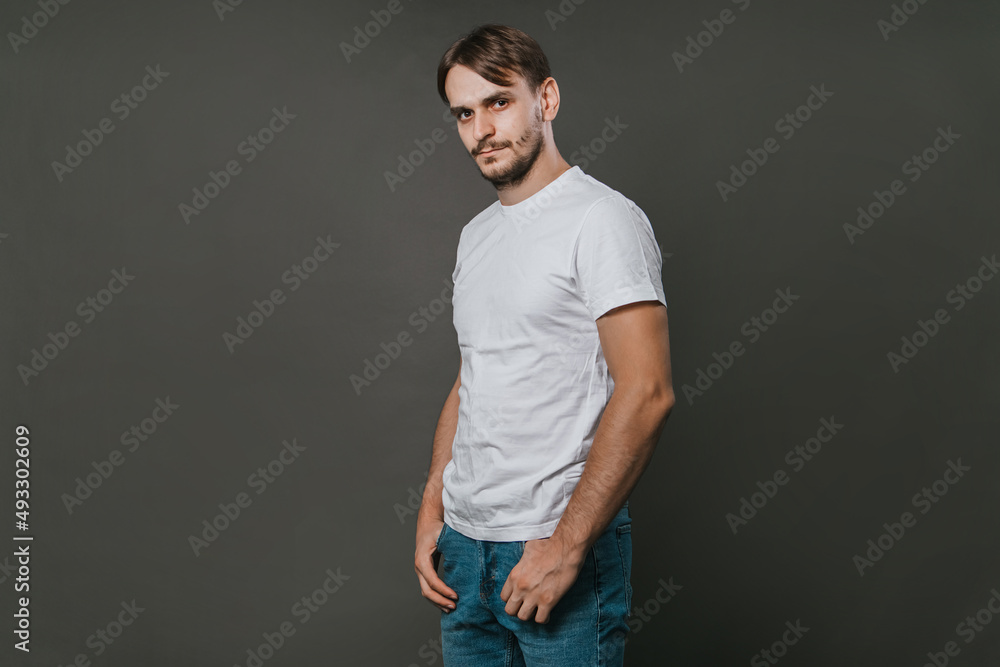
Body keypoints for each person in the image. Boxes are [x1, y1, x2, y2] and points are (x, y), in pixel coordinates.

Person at [413, 23, 674, 666]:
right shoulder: (476, 235)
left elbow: (647, 392)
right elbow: (474, 375)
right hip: (465, 549)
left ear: (546, 99)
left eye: (498, 102)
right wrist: (433, 508)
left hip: (551, 546)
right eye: (464, 113)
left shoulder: (602, 220)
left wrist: (566, 546)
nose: (481, 129)